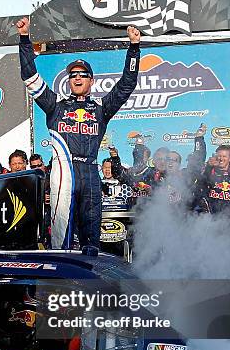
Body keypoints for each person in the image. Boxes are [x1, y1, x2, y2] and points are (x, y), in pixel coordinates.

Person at [17, 16, 140, 250]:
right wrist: (24, 39)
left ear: (91, 80)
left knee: (91, 240)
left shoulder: (101, 108)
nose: (77, 77)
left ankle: (90, 284)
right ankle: (60, 282)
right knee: (61, 239)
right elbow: (29, 78)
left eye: (82, 74)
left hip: (91, 173)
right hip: (64, 171)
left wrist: (134, 48)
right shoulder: (56, 104)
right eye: (72, 75)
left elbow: (127, 84)